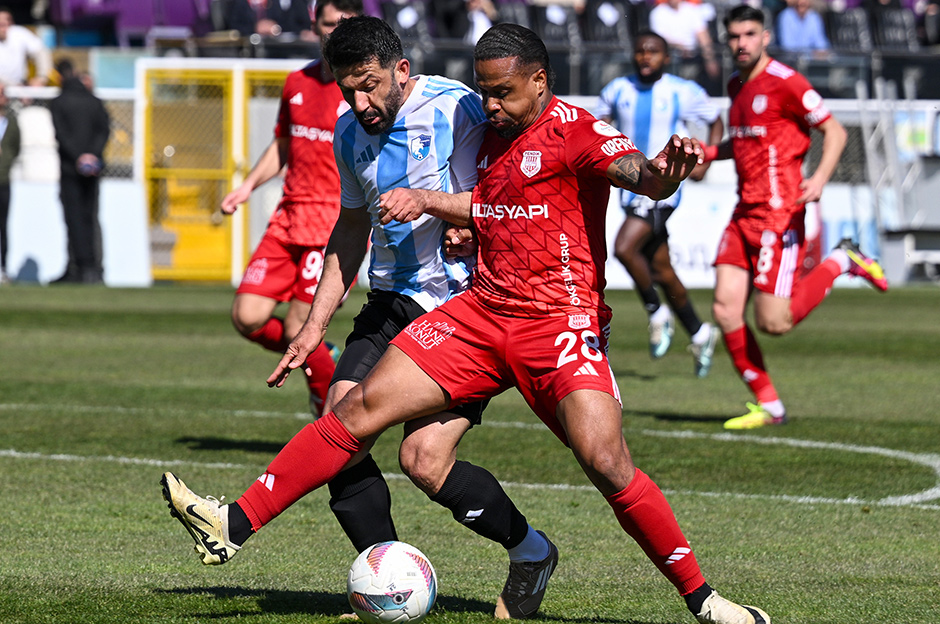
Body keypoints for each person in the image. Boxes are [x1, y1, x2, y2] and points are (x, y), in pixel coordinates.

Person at [162, 21, 771, 624]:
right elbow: (482, 203)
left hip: (560, 322)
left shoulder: (574, 129)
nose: (489, 105)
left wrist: (671, 169)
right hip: (478, 311)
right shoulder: (479, 131)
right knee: (390, 436)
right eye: (483, 91)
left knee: (607, 462)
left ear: (539, 81)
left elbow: (641, 175)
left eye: (502, 93)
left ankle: (705, 600)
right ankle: (232, 524)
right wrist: (447, 217)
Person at [168, 16, 558, 620]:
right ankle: (386, 580)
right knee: (340, 433)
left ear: (401, 70)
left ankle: (530, 552)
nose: (360, 102)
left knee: (422, 461)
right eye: (348, 89)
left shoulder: (459, 109)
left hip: (462, 309)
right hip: (388, 302)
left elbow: (519, 181)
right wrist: (314, 325)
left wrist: (464, 221)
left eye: (370, 85)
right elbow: (350, 231)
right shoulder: (348, 133)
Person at [701, 5, 887, 430]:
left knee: (773, 323)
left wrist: (820, 178)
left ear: (765, 37)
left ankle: (843, 261)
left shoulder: (787, 83)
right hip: (742, 214)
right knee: (726, 311)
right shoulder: (735, 85)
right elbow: (745, 143)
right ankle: (769, 405)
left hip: (779, 217)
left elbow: (835, 131)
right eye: (734, 36)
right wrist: (709, 154)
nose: (741, 43)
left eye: (749, 34)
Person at [221, 0, 361, 421]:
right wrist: (247, 186)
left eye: (345, 24)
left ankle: (327, 423)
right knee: (247, 316)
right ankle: (325, 358)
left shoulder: (362, 90)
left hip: (333, 223)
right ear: (314, 25)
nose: (335, 31)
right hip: (287, 218)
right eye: (329, 23)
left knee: (304, 325)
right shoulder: (297, 81)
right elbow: (284, 143)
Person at [595, 30, 723, 377]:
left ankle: (656, 312)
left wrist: (706, 161)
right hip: (629, 186)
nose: (645, 57)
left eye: (652, 51)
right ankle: (700, 332)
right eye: (639, 51)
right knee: (662, 269)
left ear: (666, 58)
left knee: (624, 248)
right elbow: (594, 125)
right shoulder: (618, 89)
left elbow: (715, 121)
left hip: (664, 188)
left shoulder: (683, 91)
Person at [49, 59, 110, 285]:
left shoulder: (59, 102)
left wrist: (78, 157)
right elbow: (104, 131)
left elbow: (61, 134)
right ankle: (94, 268)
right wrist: (92, 155)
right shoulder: (94, 102)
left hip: (69, 168)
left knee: (73, 218)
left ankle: (79, 266)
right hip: (93, 169)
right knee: (91, 217)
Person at [648, 0, 720, 87]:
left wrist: (710, 60)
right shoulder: (657, 13)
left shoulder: (692, 11)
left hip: (693, 59)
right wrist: (679, 47)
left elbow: (703, 37)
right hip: (670, 60)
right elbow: (658, 40)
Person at [0, 81, 20, 284]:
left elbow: (16, 147)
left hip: (4, 180)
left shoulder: (11, 121)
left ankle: (3, 267)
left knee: (4, 225)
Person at [0, 7, 51, 87]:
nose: (4, 28)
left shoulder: (19, 33)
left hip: (21, 87)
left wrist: (41, 77)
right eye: (1, 25)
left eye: (7, 22)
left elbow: (41, 52)